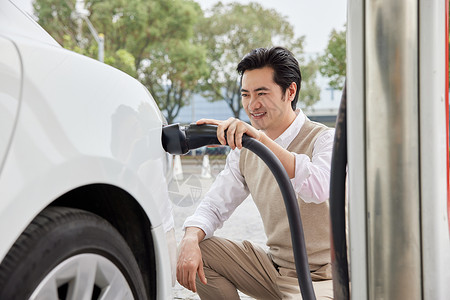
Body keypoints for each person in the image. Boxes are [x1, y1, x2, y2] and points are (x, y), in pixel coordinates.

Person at [177, 46, 334, 299]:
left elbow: (318, 188)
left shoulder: (324, 139)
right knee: (200, 252)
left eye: (262, 93)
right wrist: (190, 237)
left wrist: (260, 139)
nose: (252, 105)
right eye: (246, 94)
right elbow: (215, 205)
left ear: (290, 91)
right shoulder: (245, 150)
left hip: (324, 277)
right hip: (275, 270)